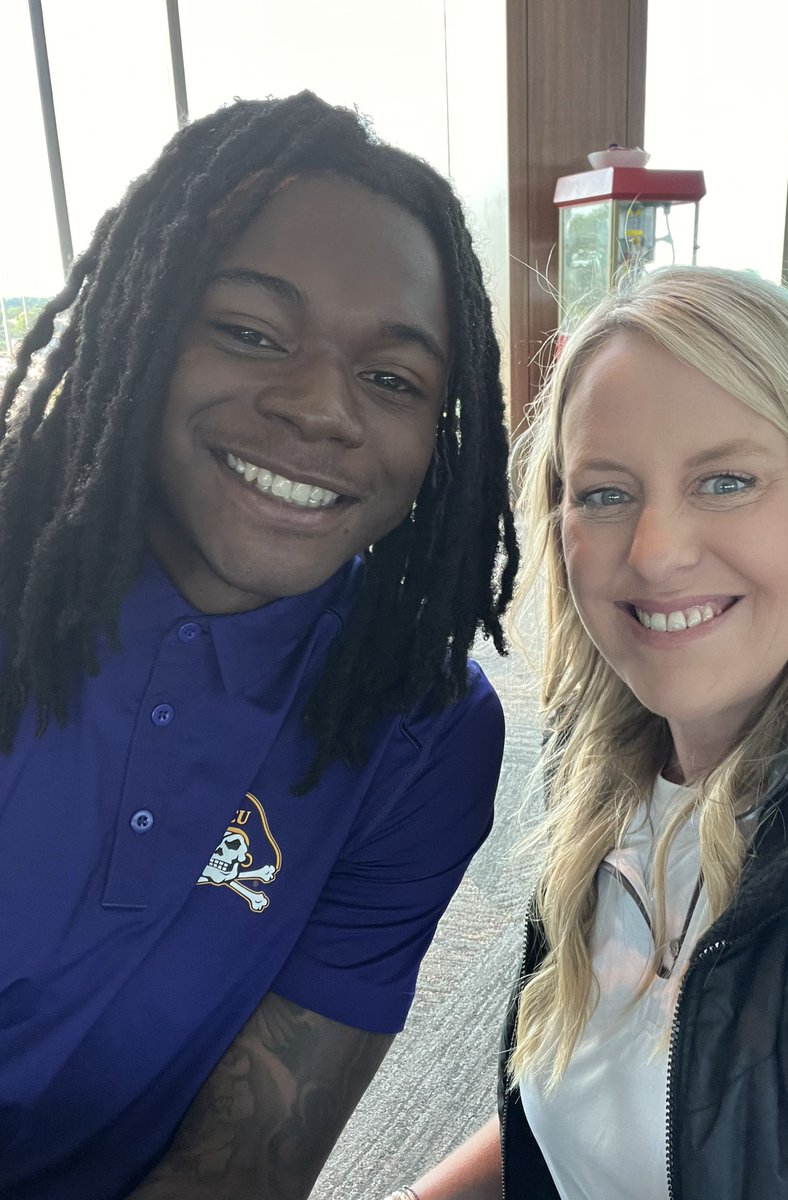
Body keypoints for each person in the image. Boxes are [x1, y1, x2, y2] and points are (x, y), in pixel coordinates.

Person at [0, 90, 517, 1199]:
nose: (322, 407)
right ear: (134, 333)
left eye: (392, 378)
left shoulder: (419, 732)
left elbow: (240, 1168)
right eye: (249, 331)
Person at [389, 266, 788, 1200]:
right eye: (606, 494)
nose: (656, 551)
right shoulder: (603, 772)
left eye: (726, 480)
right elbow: (575, 1121)